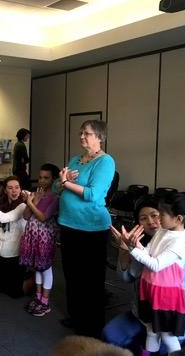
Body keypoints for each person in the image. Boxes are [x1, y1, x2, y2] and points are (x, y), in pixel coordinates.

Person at [103, 196, 185, 355]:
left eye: (157, 215)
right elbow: (127, 276)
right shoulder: (158, 237)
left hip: (169, 309)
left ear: (177, 218)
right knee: (115, 336)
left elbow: (155, 264)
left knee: (167, 343)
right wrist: (126, 247)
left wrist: (132, 249)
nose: (152, 221)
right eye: (143, 218)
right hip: (146, 306)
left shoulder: (179, 243)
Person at [57, 119, 115, 337]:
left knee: (90, 279)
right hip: (68, 224)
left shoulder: (105, 162)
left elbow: (93, 194)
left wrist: (66, 183)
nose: (82, 136)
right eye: (81, 132)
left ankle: (91, 326)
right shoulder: (75, 159)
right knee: (72, 274)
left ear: (99, 137)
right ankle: (76, 316)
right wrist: (62, 180)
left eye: (87, 133)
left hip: (92, 229)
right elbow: (55, 186)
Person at [20, 163, 60, 316]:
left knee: (45, 268)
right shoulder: (36, 194)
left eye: (46, 178)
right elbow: (25, 216)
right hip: (32, 234)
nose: (42, 181)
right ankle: (37, 297)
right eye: (40, 177)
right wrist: (33, 201)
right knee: (36, 267)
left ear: (54, 179)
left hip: (45, 237)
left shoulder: (55, 197)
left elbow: (43, 217)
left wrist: (30, 202)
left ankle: (45, 301)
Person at [0, 176, 27, 298]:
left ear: (20, 189)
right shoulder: (2, 203)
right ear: (5, 190)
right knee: (1, 288)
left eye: (17, 187)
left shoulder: (22, 206)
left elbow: (4, 218)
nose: (14, 191)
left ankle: (32, 280)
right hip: (0, 250)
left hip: (15, 252)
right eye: (10, 188)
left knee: (15, 293)